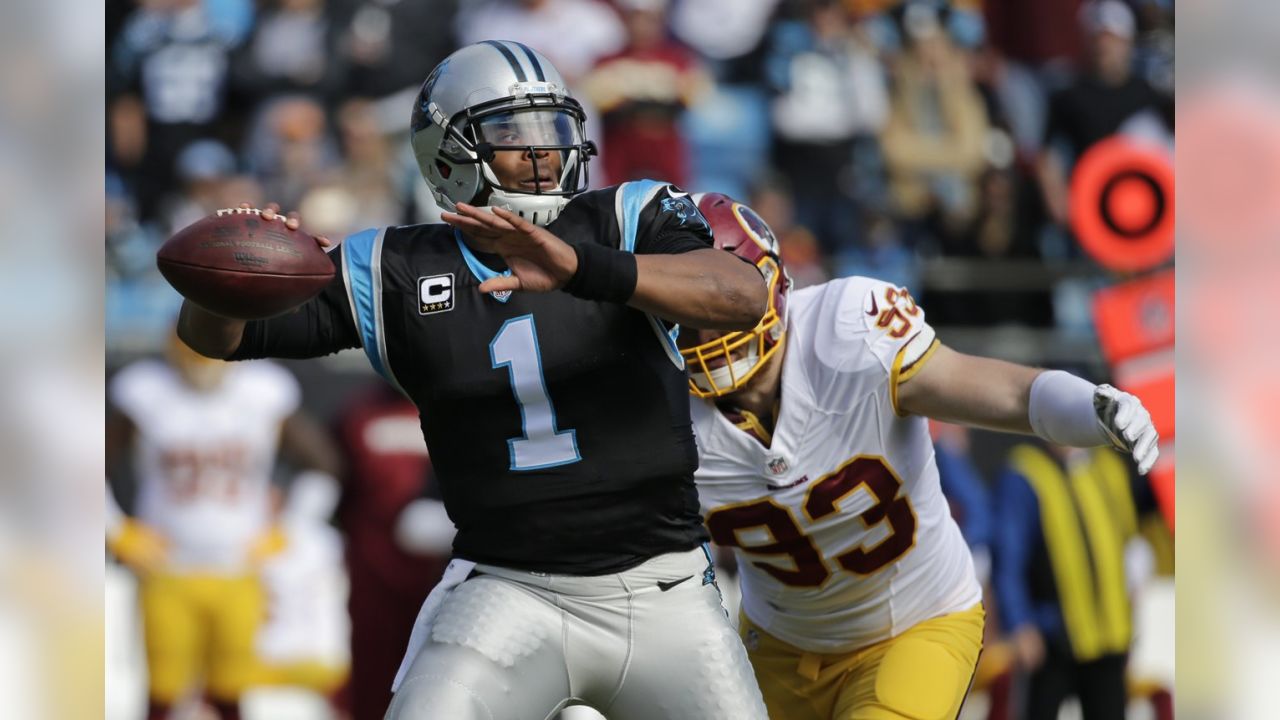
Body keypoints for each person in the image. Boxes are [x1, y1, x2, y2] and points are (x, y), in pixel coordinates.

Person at [173, 41, 770, 720]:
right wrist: (226, 278)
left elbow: (740, 293)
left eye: (552, 128)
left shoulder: (627, 218)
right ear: (446, 153)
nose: (543, 152)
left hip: (664, 589)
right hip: (509, 590)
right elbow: (216, 337)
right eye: (514, 133)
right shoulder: (391, 268)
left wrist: (582, 269)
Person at [679, 192, 1158, 720]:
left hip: (914, 623)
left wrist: (1085, 405)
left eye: (723, 295)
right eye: (686, 306)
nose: (706, 322)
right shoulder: (656, 409)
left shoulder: (847, 327)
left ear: (770, 284)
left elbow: (1005, 394)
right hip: (777, 644)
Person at [105, 334, 342, 720]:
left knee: (232, 686)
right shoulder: (145, 392)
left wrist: (291, 527)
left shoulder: (263, 392)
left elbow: (324, 466)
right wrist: (117, 530)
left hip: (239, 568)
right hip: (168, 568)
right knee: (163, 689)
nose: (202, 359)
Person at [992, 441, 1158, 720]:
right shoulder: (1025, 472)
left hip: (1108, 635)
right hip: (1051, 637)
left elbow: (1127, 541)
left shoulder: (1107, 466)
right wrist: (1020, 624)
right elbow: (1009, 556)